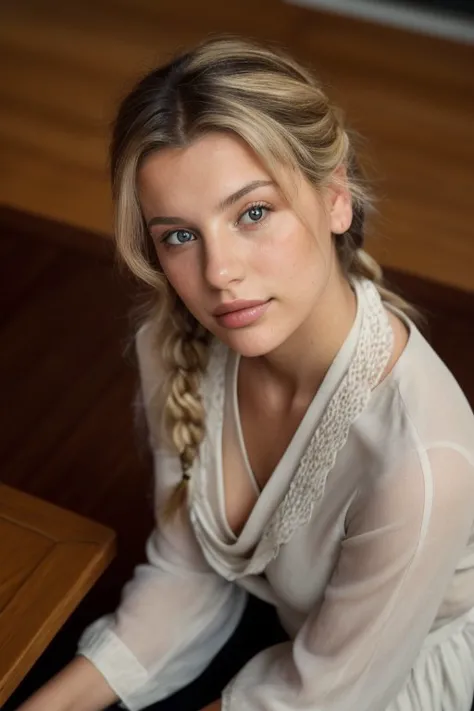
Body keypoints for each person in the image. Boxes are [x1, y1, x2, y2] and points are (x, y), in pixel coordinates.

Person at [18, 35, 474, 711]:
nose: (219, 274)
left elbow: (320, 696)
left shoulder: (423, 460)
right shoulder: (171, 341)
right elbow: (187, 571)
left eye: (253, 213)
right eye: (179, 234)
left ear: (335, 197)